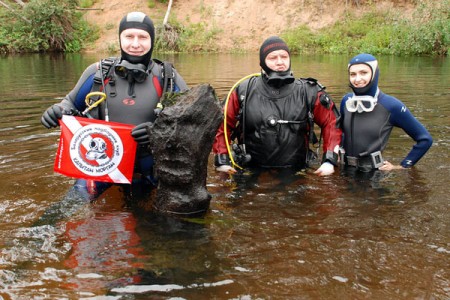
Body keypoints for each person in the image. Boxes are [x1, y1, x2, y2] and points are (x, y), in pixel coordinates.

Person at [41, 11, 188, 200]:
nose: (135, 44)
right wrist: (58, 111)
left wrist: (158, 132)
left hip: (152, 168)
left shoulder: (167, 77)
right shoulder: (98, 73)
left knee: (161, 222)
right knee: (69, 206)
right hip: (102, 164)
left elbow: (191, 123)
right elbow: (69, 103)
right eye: (129, 36)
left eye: (142, 37)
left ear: (152, 40)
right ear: (120, 39)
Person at [212, 36, 342, 176]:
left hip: (297, 172)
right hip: (250, 171)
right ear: (262, 62)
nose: (280, 62)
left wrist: (329, 160)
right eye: (273, 58)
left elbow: (332, 122)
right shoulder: (243, 90)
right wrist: (222, 160)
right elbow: (221, 124)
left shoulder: (308, 91)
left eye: (284, 57)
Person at [339, 53, 433, 173]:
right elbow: (340, 133)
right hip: (343, 171)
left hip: (373, 174)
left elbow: (425, 139)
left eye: (364, 73)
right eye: (353, 74)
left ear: (374, 73)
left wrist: (402, 166)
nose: (357, 79)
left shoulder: (391, 105)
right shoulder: (346, 101)